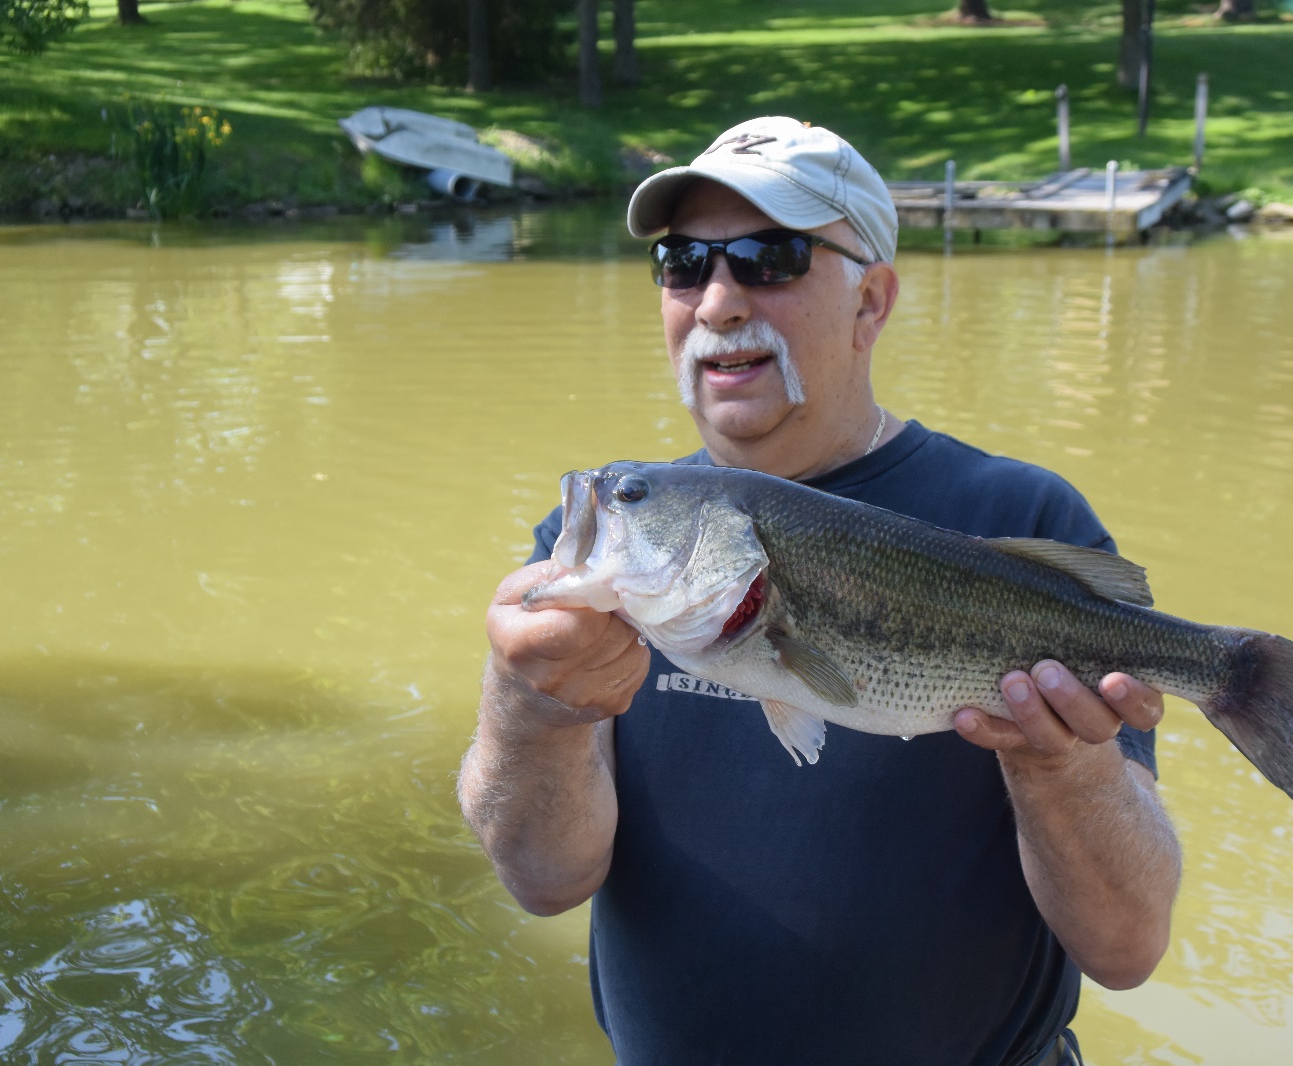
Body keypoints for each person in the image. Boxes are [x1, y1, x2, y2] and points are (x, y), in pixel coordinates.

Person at [458, 116, 1181, 1066]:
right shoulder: (611, 544)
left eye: (772, 257)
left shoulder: (1021, 519)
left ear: (870, 303)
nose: (719, 301)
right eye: (683, 263)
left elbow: (1126, 948)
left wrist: (1065, 768)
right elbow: (544, 882)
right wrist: (531, 711)